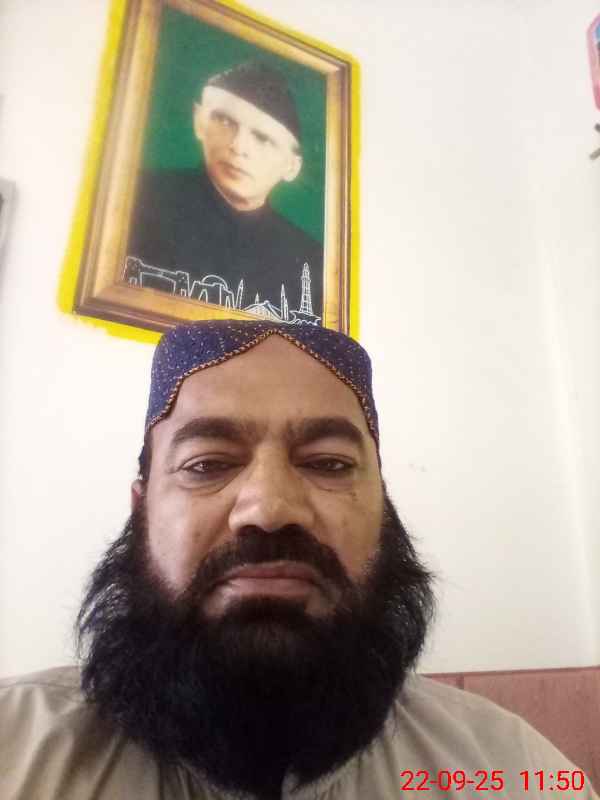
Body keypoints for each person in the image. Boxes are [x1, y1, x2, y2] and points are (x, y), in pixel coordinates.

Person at [0, 319, 597, 800]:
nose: (269, 509)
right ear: (142, 511)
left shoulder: (515, 771)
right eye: (207, 464)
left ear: (384, 510)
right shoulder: (16, 748)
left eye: (329, 463)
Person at [125, 63, 323, 325]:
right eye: (225, 121)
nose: (238, 146)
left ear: (292, 167)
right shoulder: (133, 196)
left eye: (263, 138)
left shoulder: (314, 261)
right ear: (199, 121)